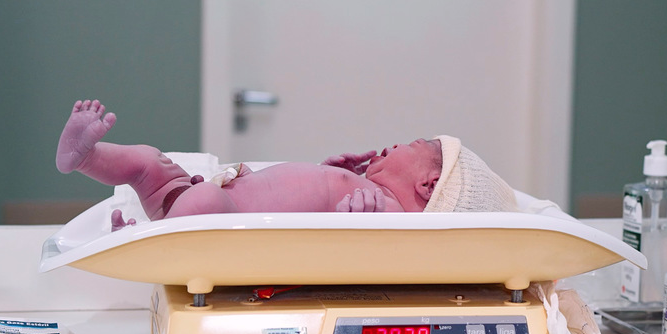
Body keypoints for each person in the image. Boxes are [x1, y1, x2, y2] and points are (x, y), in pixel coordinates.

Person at [56, 99, 518, 225]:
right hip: (208, 192)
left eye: (406, 146)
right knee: (149, 162)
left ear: (428, 185)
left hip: (218, 211)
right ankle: (86, 156)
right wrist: (334, 173)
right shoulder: (368, 189)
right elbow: (310, 196)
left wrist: (361, 219)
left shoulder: (390, 216)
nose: (388, 147)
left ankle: (146, 236)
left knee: (174, 187)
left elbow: (354, 242)